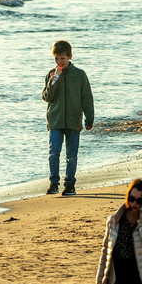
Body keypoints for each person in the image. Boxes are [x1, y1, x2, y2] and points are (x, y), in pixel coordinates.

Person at [42, 39, 94, 196]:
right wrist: (53, 81)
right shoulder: (51, 75)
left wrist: (89, 119)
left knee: (71, 155)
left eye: (62, 58)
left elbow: (87, 98)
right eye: (56, 58)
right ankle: (54, 184)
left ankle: (70, 185)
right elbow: (46, 97)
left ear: (70, 56)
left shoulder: (79, 75)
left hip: (73, 121)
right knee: (54, 153)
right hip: (55, 121)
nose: (59, 62)